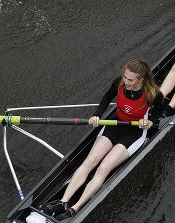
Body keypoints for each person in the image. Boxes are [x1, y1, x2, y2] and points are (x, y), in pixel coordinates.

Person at [39, 58, 162, 220]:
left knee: (104, 167)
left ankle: (75, 208)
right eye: (125, 77)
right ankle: (63, 202)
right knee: (90, 161)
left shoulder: (153, 94)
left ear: (141, 79)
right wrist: (97, 114)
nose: (126, 82)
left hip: (134, 134)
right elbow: (106, 99)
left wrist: (149, 122)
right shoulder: (119, 83)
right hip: (114, 125)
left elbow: (159, 113)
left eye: (130, 80)